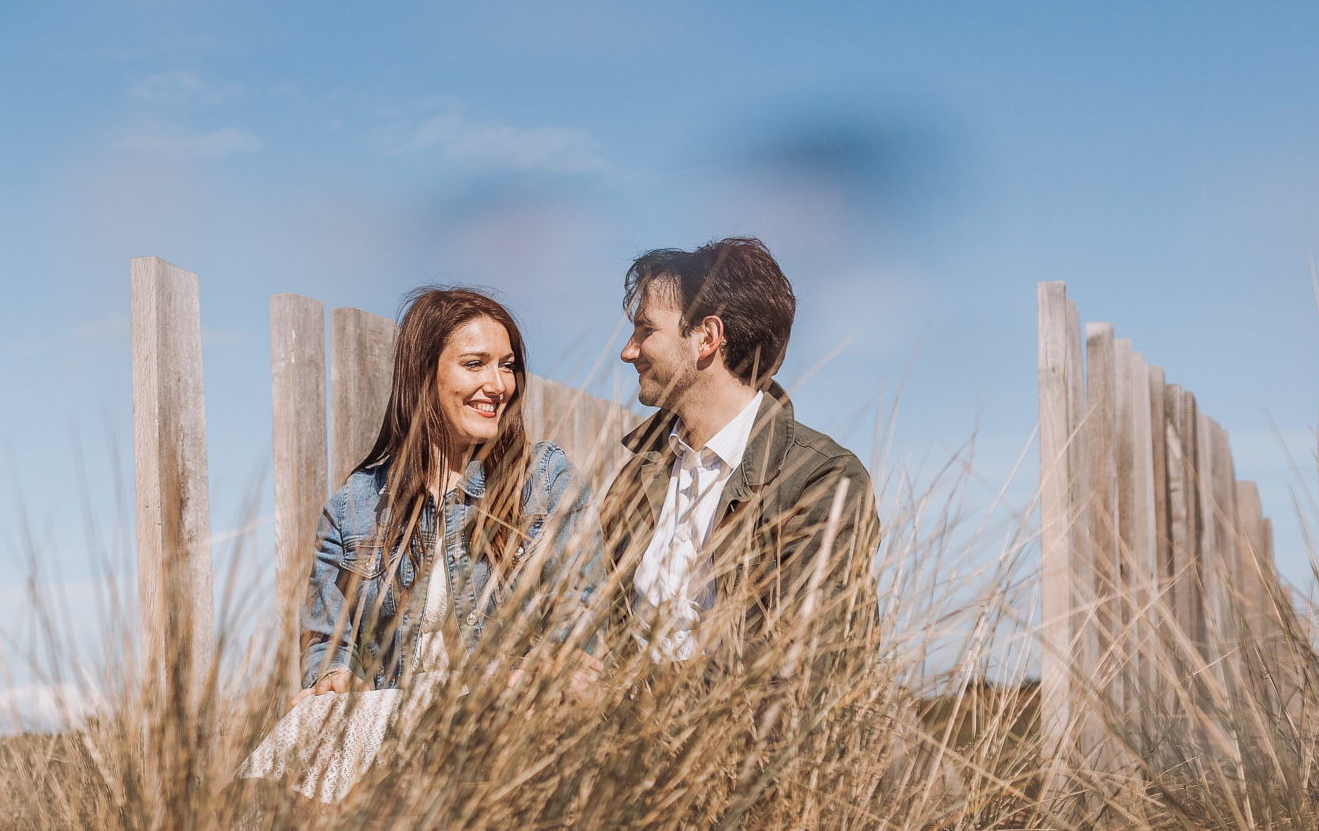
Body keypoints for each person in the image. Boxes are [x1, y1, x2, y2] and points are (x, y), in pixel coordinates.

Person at [244, 287, 585, 801]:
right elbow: (328, 641)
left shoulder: (546, 480)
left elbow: (581, 624)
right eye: (476, 364)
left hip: (510, 736)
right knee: (265, 788)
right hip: (393, 739)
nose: (498, 385)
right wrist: (335, 678)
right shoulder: (354, 506)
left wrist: (531, 674)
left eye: (507, 365)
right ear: (424, 375)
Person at [597, 238, 877, 675]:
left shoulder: (822, 479)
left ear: (706, 337)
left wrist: (626, 695)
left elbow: (798, 668)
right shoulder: (636, 476)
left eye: (646, 330)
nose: (628, 351)